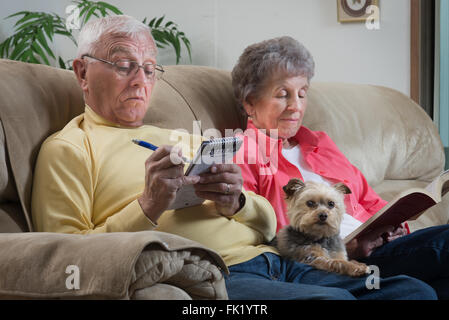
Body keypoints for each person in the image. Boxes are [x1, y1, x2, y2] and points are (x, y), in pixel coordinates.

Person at [31, 16, 436, 300]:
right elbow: (69, 260)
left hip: (276, 259)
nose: (140, 80)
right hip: (215, 275)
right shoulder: (68, 149)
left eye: (150, 68)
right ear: (82, 72)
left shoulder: (181, 138)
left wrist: (238, 202)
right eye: (123, 65)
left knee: (413, 291)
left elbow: (266, 219)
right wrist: (147, 205)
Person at [232, 36, 449, 299]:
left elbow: (371, 202)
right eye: (282, 95)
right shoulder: (244, 151)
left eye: (302, 93)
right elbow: (261, 232)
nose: (296, 106)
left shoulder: (320, 143)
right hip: (324, 261)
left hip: (380, 249)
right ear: (249, 102)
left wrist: (393, 227)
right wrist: (345, 247)